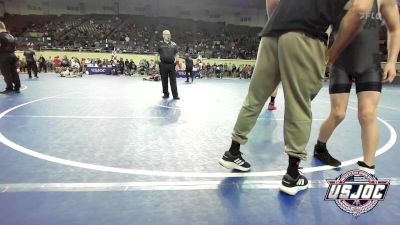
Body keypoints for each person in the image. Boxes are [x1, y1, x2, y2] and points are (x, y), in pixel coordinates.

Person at [218, 0, 375, 196]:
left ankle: (233, 151)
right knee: (299, 102)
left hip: (272, 31)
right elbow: (361, 8)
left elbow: (272, 1)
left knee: (255, 97)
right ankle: (293, 175)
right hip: (306, 33)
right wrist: (331, 55)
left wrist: (281, 23)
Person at [314, 0, 400, 174]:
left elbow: (395, 28)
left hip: (369, 64)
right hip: (340, 63)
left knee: (367, 113)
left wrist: (391, 61)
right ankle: (320, 147)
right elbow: (319, 27)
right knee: (338, 113)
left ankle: (368, 167)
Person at [156, 30, 180, 100]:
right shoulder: (159, 44)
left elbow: (177, 55)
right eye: (166, 34)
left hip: (172, 65)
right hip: (163, 65)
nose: (168, 36)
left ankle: (175, 95)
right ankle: (166, 94)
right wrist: (156, 64)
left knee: (173, 81)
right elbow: (156, 55)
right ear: (163, 35)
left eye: (169, 34)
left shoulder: (174, 44)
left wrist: (177, 64)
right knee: (164, 80)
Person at [0, 21, 20, 93]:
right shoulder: (11, 36)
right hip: (13, 55)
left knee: (6, 73)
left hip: (4, 56)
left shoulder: (0, 35)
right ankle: (17, 87)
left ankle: (9, 88)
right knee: (14, 72)